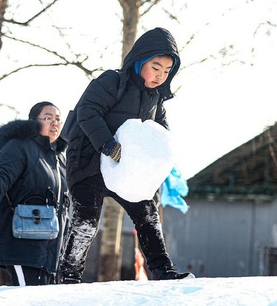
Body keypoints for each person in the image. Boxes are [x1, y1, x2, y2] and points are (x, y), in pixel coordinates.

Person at [58, 27, 194, 283]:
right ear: (141, 60)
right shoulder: (112, 81)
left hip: (128, 169)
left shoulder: (156, 100)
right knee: (86, 219)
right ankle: (69, 275)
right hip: (89, 161)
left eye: (166, 71)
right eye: (155, 67)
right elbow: (88, 111)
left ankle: (162, 270)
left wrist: (163, 163)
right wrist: (107, 144)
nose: (160, 76)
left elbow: (160, 134)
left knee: (148, 216)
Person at [0, 101, 69, 286]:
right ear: (33, 122)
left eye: (58, 119)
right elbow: (1, 175)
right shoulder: (19, 147)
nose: (54, 123)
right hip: (22, 244)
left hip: (50, 250)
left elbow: (64, 206)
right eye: (48, 118)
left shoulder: (58, 160)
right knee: (28, 300)